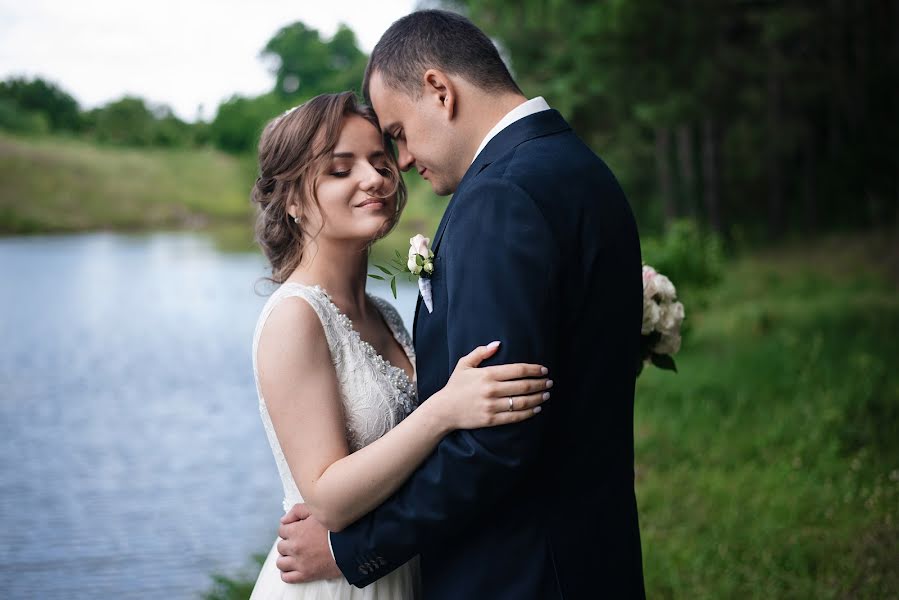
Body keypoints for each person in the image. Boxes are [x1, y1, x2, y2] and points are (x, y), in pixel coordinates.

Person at [275, 9, 646, 600]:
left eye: (395, 135)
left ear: (439, 91)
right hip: (592, 556)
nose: (397, 164)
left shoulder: (500, 196)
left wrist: (351, 549)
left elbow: (497, 438)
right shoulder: (580, 168)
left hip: (521, 573)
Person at [249, 91, 551, 599]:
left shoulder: (383, 312)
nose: (375, 178)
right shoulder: (295, 319)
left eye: (379, 160)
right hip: (336, 584)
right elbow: (327, 499)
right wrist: (443, 411)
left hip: (402, 567)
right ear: (294, 200)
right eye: (340, 170)